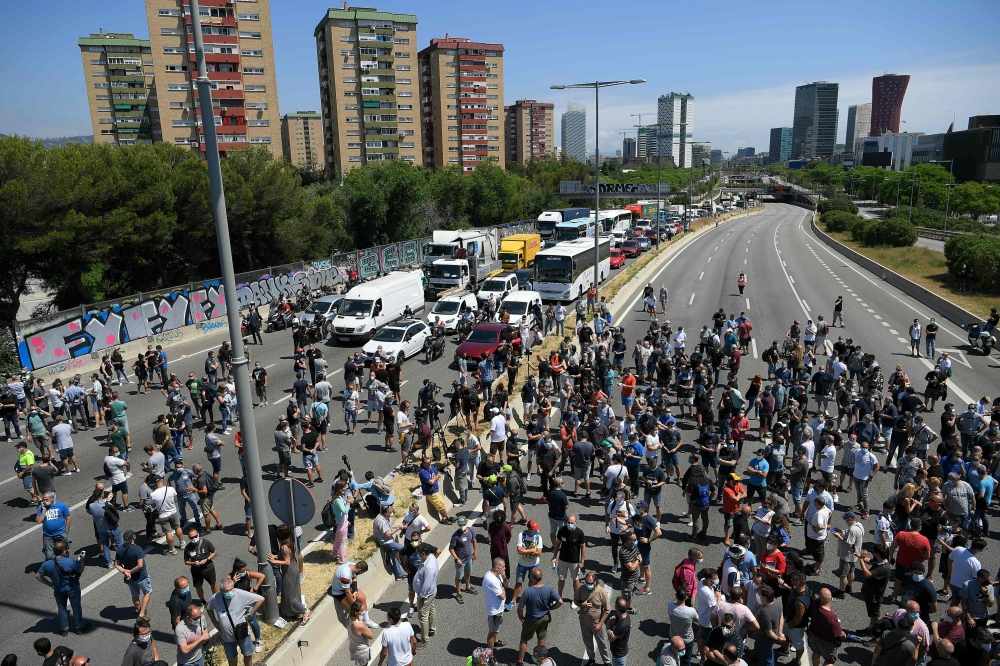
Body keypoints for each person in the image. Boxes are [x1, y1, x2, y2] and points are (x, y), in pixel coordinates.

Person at [35, 540, 89, 636]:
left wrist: (49, 583)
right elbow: (80, 570)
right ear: (64, 551)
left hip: (58, 590)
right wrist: (82, 560)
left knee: (61, 608)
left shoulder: (47, 564)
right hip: (72, 588)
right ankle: (79, 627)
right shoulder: (70, 561)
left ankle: (64, 629)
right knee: (76, 607)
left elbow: (38, 576)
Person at [206, 577, 264, 666]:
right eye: (226, 591)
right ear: (221, 590)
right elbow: (209, 608)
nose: (229, 592)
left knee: (248, 654)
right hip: (227, 636)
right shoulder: (215, 598)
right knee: (231, 658)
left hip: (243, 633)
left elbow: (260, 599)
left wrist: (250, 614)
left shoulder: (241, 594)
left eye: (231, 589)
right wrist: (214, 621)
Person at [517, 567, 563, 665]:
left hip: (531, 620)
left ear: (532, 578)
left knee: (524, 639)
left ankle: (520, 661)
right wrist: (551, 608)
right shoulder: (548, 588)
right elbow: (560, 601)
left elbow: (520, 607)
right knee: (541, 637)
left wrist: (521, 617)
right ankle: (540, 660)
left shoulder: (528, 592)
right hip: (545, 618)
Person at [575, 571, 612, 666]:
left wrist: (600, 624)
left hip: (596, 623)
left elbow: (607, 610)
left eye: (590, 583)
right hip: (584, 622)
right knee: (587, 642)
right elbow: (576, 601)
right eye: (586, 582)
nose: (588, 585)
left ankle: (607, 662)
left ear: (595, 581)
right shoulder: (581, 589)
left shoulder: (601, 592)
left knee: (602, 644)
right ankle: (591, 659)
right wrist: (581, 604)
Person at [115, 530, 152, 620]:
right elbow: (140, 565)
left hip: (130, 579)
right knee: (147, 592)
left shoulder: (120, 549)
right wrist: (130, 572)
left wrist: (125, 572)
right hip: (141, 577)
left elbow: (116, 564)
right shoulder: (137, 549)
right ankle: (142, 614)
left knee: (135, 595)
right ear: (133, 537)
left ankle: (140, 610)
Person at [508, 520, 543, 612]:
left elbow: (539, 553)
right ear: (529, 529)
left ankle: (530, 598)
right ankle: (513, 601)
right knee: (518, 582)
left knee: (532, 583)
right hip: (522, 564)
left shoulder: (538, 537)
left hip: (534, 565)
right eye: (534, 529)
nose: (536, 531)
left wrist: (526, 550)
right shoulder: (521, 535)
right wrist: (532, 550)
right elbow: (519, 550)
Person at [552, 514, 586, 604]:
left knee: (575, 579)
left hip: (574, 561)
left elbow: (583, 547)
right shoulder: (562, 530)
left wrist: (582, 561)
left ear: (575, 523)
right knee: (561, 578)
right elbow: (557, 543)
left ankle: (576, 598)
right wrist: (554, 556)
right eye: (568, 522)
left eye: (571, 522)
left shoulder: (579, 533)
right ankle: (559, 595)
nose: (569, 524)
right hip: (563, 559)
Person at [806, 589, 844, 666]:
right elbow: (840, 633)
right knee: (829, 661)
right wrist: (844, 636)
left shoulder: (816, 602)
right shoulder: (831, 617)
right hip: (826, 641)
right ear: (831, 598)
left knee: (816, 652)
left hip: (813, 635)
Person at [858, 545, 891, 631]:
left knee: (876, 616)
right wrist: (859, 555)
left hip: (875, 596)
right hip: (870, 593)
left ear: (877, 554)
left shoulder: (883, 568)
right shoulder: (880, 561)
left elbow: (867, 574)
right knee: (873, 615)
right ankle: (870, 629)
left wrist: (861, 560)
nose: (871, 553)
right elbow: (869, 561)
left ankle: (877, 635)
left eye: (872, 552)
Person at [832, 511, 865, 598]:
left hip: (847, 556)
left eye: (845, 519)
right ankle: (849, 587)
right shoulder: (859, 525)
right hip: (854, 555)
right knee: (851, 571)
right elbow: (849, 534)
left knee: (843, 574)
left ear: (850, 519)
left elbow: (849, 543)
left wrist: (838, 536)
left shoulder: (853, 530)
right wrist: (841, 530)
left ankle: (841, 592)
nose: (845, 521)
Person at [413, 543, 440, 647]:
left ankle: (425, 640)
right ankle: (432, 629)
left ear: (423, 553)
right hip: (432, 592)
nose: (419, 556)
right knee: (432, 609)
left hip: (426, 594)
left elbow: (427, 584)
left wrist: (421, 596)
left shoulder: (429, 567)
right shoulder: (431, 558)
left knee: (423, 615)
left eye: (419, 554)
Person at [183, 526, 218, 602]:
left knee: (213, 584)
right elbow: (186, 561)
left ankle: (217, 598)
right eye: (191, 537)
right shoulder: (187, 548)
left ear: (198, 534)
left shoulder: (206, 542)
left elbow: (215, 552)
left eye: (195, 536)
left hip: (208, 568)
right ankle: (202, 601)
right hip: (196, 571)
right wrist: (193, 563)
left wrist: (207, 559)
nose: (194, 538)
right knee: (198, 586)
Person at [449, 516, 478, 604]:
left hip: (469, 558)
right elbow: (451, 549)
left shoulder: (471, 530)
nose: (462, 526)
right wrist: (457, 559)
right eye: (460, 524)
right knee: (459, 577)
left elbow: (474, 541)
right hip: (460, 561)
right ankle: (458, 593)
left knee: (468, 572)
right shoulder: (455, 536)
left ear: (467, 522)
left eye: (463, 524)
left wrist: (475, 552)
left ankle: (468, 587)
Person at [753, 585, 784, 666]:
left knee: (768, 659)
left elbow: (769, 632)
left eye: (760, 595)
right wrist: (780, 632)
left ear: (765, 597)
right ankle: (757, 656)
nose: (759, 596)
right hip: (760, 638)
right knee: (759, 648)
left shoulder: (766, 612)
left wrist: (778, 639)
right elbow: (781, 617)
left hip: (764, 640)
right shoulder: (776, 601)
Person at [669, 590, 701, 666]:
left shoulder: (670, 605)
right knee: (687, 660)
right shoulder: (691, 611)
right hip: (687, 639)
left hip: (674, 637)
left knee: (674, 658)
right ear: (686, 597)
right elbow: (697, 620)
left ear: (676, 596)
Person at [175, 601, 212, 666]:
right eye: (196, 618)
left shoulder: (201, 618)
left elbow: (205, 629)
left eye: (200, 616)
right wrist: (201, 639)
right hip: (186, 662)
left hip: (200, 658)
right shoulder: (180, 629)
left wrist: (205, 635)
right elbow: (185, 650)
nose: (199, 619)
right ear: (188, 618)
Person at [37, 492, 71, 561]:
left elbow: (68, 518)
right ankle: (53, 567)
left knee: (64, 551)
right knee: (49, 554)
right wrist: (43, 511)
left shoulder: (61, 506)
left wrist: (66, 530)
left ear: (52, 499)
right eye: (44, 500)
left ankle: (65, 564)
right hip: (48, 535)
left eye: (47, 500)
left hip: (61, 533)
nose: (45, 501)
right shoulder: (41, 508)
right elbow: (38, 521)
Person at [482, 558, 507, 650]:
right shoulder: (492, 580)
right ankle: (490, 655)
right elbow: (502, 596)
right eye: (503, 567)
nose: (504, 568)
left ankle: (496, 642)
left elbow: (506, 585)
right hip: (494, 611)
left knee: (496, 629)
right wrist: (503, 590)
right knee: (492, 632)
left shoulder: (498, 575)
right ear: (497, 568)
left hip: (499, 608)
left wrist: (504, 578)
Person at [607, 595, 632, 666]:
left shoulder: (622, 626)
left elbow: (610, 639)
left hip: (619, 654)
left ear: (617, 608)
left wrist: (608, 629)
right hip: (616, 651)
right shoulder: (623, 615)